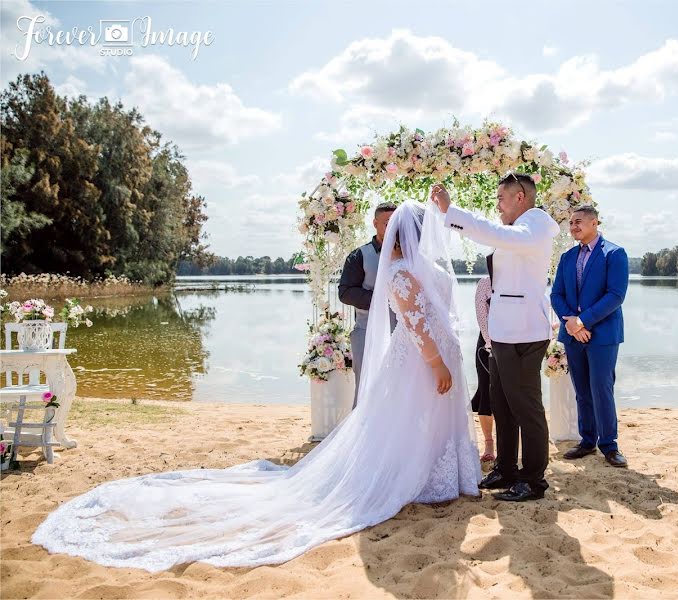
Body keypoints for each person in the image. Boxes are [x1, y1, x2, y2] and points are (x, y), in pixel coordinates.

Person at [32, 202, 480, 572]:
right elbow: (418, 324)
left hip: (437, 356)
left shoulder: (429, 268)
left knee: (425, 417)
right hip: (419, 360)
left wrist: (447, 355)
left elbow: (443, 314)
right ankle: (408, 476)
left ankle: (438, 473)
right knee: (402, 418)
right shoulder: (399, 272)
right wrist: (437, 361)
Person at [432, 173, 560, 503]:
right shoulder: (520, 229)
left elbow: (498, 234)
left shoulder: (537, 223)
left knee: (526, 407)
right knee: (501, 404)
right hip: (503, 332)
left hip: (524, 331)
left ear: (520, 197)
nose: (498, 206)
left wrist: (452, 212)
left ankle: (533, 480)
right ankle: (505, 468)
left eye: (501, 199)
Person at [549, 205, 628, 468]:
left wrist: (583, 320)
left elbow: (616, 295)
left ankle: (609, 445)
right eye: (571, 223)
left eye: (578, 222)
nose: (573, 227)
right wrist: (572, 323)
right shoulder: (567, 257)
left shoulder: (615, 254)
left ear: (594, 223)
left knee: (601, 388)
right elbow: (556, 295)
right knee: (582, 390)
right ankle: (587, 441)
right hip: (573, 334)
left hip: (603, 334)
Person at [338, 201, 396, 407]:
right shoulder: (358, 256)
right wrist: (380, 301)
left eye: (396, 222)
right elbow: (345, 293)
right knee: (365, 387)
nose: (392, 228)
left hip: (401, 335)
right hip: (366, 332)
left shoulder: (409, 254)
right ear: (375, 223)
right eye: (387, 223)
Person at [472, 253, 495, 464]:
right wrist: (491, 344)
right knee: (486, 392)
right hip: (487, 345)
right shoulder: (484, 284)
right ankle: (489, 442)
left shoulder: (519, 281)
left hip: (514, 345)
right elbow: (481, 316)